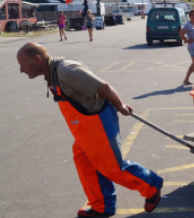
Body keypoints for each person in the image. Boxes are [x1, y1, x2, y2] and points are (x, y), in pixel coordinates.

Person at [16, 42, 163, 217]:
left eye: (22, 65)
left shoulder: (66, 71)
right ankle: (102, 206)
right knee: (85, 162)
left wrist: (120, 106)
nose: (21, 70)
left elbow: (104, 87)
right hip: (84, 128)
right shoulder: (52, 74)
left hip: (98, 122)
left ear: (37, 59)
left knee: (112, 167)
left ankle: (151, 185)